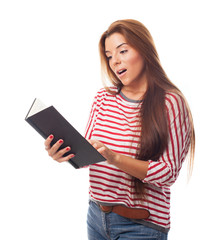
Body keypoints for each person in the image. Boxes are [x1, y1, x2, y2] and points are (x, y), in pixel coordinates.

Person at [44, 19, 195, 240]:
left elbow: (168, 173)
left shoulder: (170, 102)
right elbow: (89, 154)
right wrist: (63, 153)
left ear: (144, 50)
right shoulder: (103, 98)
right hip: (96, 217)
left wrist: (115, 158)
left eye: (122, 51)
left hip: (141, 226)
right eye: (109, 55)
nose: (115, 61)